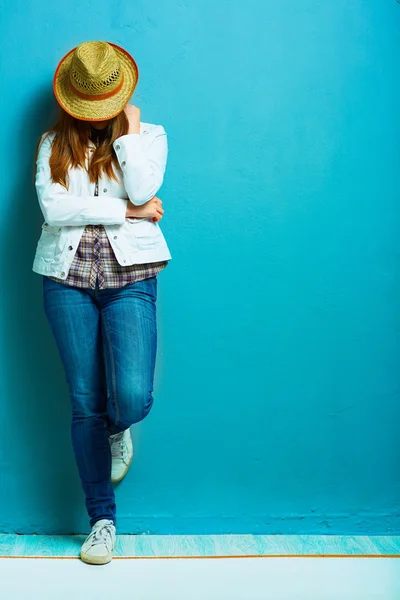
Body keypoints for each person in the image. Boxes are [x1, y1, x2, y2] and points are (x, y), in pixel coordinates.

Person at [32, 40, 172, 565]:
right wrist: (128, 213)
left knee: (130, 397)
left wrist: (130, 136)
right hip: (65, 278)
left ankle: (120, 426)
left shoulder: (149, 136)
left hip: (131, 277)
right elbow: (54, 208)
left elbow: (143, 187)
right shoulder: (53, 142)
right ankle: (102, 521)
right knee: (83, 399)